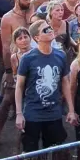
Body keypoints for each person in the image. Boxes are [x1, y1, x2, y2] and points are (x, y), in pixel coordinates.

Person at [15, 20, 75, 152]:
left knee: (55, 153)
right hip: (32, 114)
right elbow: (19, 86)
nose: (50, 31)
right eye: (45, 30)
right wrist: (19, 113)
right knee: (31, 155)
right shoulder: (27, 58)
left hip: (54, 113)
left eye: (49, 28)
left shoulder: (61, 55)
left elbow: (65, 82)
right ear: (36, 38)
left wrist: (71, 110)